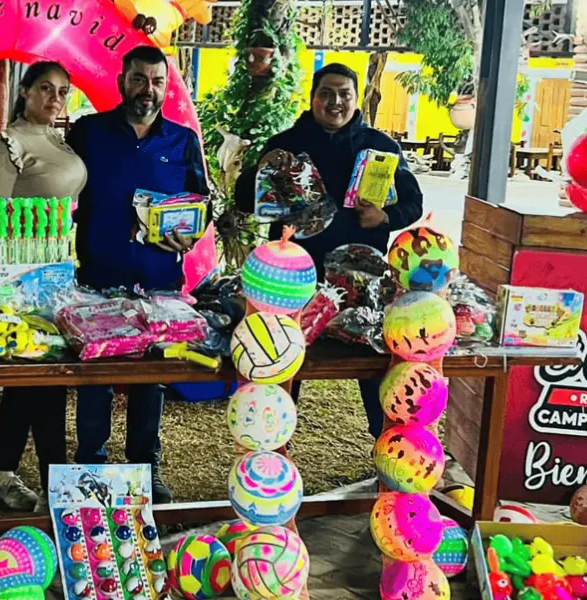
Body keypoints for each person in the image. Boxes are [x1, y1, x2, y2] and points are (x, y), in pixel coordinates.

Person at [235, 63, 425, 440]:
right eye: (327, 93)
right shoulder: (285, 145)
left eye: (344, 94)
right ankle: (273, 442)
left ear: (357, 100)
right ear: (312, 98)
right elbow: (246, 199)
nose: (335, 101)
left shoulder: (381, 148)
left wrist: (385, 215)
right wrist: (265, 180)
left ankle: (386, 443)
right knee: (283, 361)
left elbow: (414, 204)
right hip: (292, 282)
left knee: (374, 366)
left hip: (362, 281)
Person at [65, 46, 210, 504]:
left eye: (157, 82)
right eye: (139, 79)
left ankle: (146, 468)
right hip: (98, 281)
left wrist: (189, 233)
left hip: (159, 283)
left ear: (166, 88)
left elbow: (200, 205)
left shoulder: (182, 140)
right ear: (121, 81)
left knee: (151, 378)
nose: (148, 90)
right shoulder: (88, 132)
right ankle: (91, 464)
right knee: (97, 380)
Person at [0, 61, 87, 513]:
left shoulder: (59, 139)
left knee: (30, 385)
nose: (54, 99)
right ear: (25, 92)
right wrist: (16, 290)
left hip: (58, 274)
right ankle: (56, 487)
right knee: (44, 382)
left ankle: (1, 475)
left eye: (62, 91)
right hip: (20, 280)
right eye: (45, 89)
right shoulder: (9, 144)